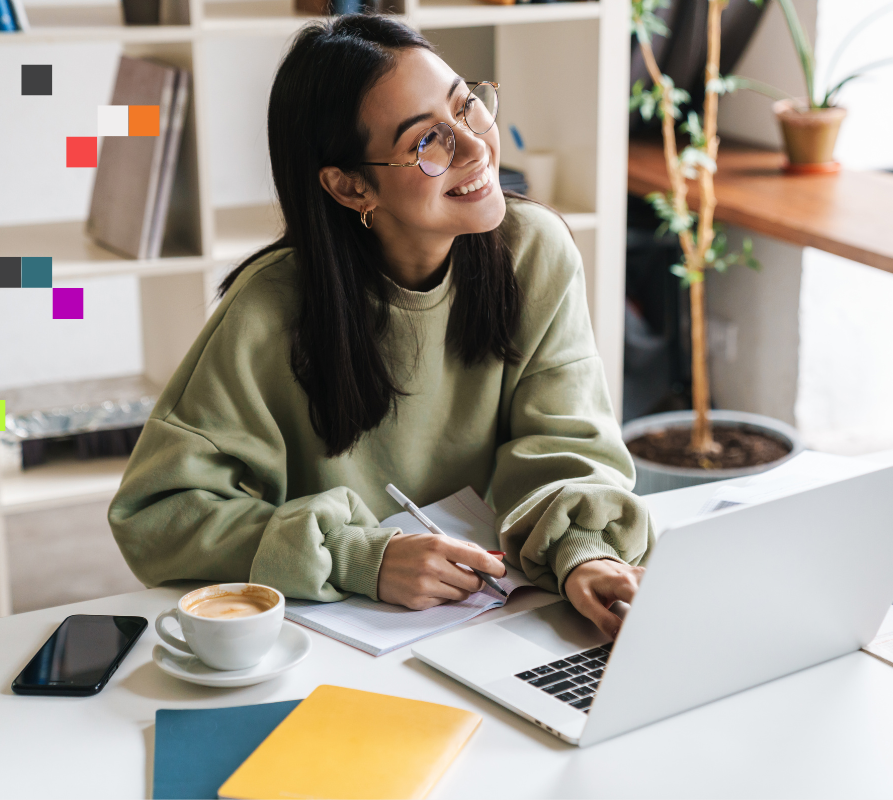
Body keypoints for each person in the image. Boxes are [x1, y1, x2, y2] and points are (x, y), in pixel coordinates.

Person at [108, 13, 653, 640]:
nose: (475, 147)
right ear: (349, 186)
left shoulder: (537, 253)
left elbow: (569, 447)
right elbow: (158, 514)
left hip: (496, 621)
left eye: (468, 107)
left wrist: (587, 552)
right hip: (332, 639)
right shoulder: (270, 309)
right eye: (427, 142)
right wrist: (361, 557)